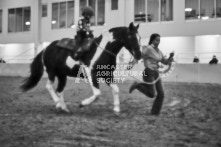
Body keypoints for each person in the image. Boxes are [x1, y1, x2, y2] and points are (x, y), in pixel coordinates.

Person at [129, 33, 174, 115]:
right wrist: (131, 63)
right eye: (157, 40)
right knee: (152, 94)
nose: (158, 41)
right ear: (152, 40)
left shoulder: (159, 51)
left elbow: (165, 62)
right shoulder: (148, 49)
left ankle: (154, 113)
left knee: (161, 94)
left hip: (156, 73)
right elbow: (139, 56)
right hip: (148, 72)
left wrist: (170, 58)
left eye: (159, 40)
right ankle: (137, 85)